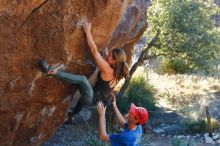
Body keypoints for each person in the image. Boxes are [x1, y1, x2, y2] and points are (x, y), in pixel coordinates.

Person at [38, 22, 129, 121]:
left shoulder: (108, 69)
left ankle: (51, 71)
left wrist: (88, 32)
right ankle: (72, 115)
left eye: (111, 56)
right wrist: (107, 49)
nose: (108, 55)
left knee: (82, 80)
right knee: (83, 98)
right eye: (110, 53)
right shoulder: (117, 73)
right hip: (96, 101)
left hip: (92, 100)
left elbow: (94, 51)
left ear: (115, 62)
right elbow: (106, 57)